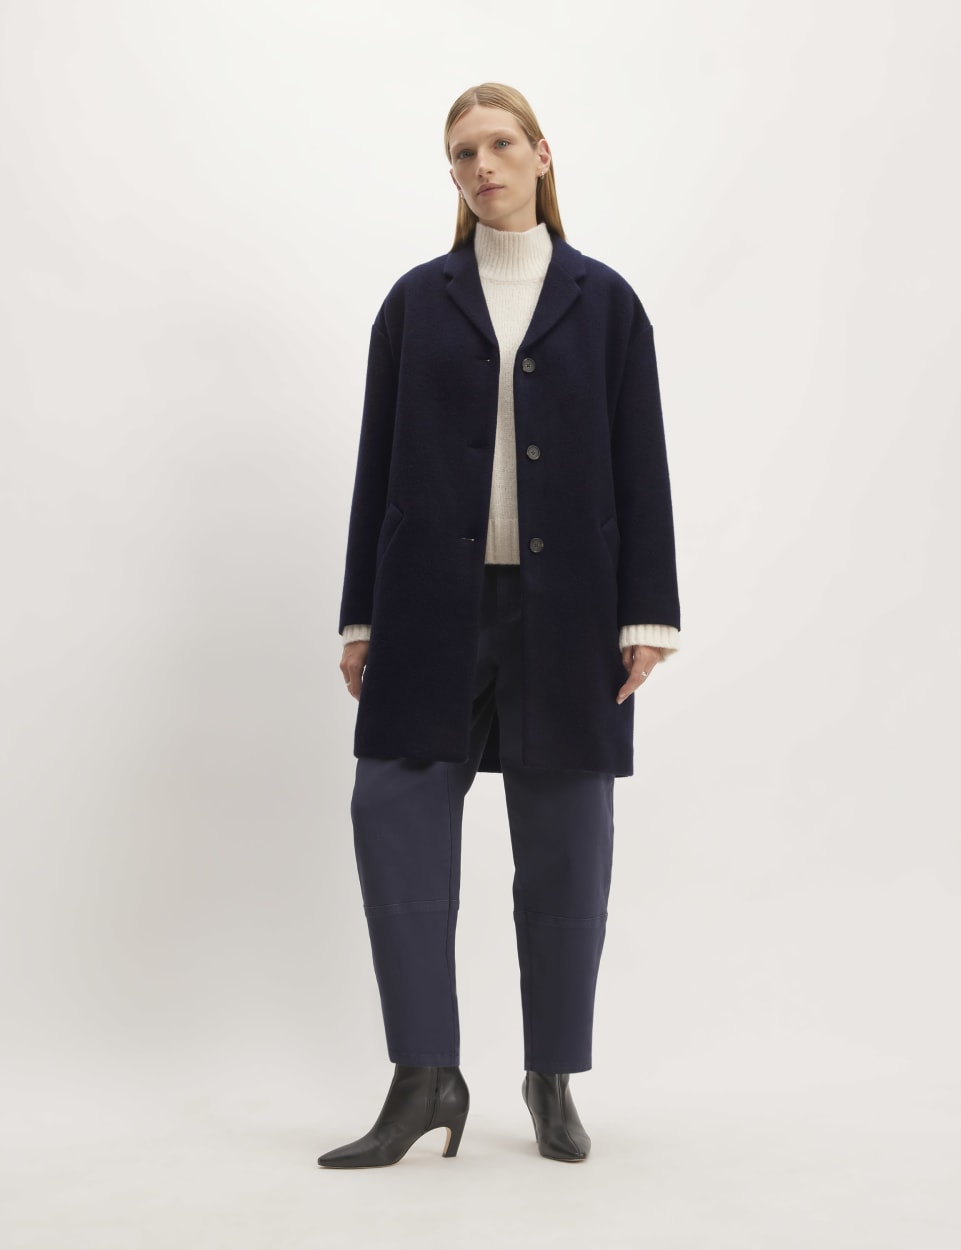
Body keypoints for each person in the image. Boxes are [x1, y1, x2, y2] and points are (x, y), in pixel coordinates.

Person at [317, 83, 680, 1169]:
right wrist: (360, 614)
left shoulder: (605, 304)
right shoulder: (415, 303)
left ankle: (551, 1074)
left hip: (569, 615)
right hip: (427, 603)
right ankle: (425, 1076)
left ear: (540, 154)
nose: (481, 166)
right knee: (391, 815)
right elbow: (377, 462)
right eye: (462, 152)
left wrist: (648, 612)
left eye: (500, 144)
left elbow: (643, 464)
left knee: (567, 847)